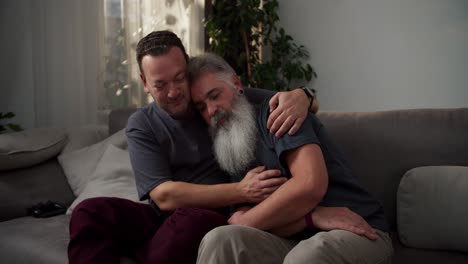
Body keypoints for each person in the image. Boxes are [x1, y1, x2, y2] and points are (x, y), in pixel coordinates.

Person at [68, 31, 379, 264]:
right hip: (188, 214)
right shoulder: (156, 123)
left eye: (179, 79)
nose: (176, 93)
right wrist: (244, 194)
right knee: (90, 212)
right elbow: (163, 196)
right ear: (145, 82)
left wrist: (303, 95)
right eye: (160, 85)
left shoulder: (256, 111)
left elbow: (288, 105)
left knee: (193, 224)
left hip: (204, 218)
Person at [188, 53, 394, 264]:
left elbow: (310, 185)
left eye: (214, 95)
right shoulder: (229, 141)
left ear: (237, 84)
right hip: (292, 237)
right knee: (219, 239)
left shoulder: (281, 112)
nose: (211, 111)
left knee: (305, 257)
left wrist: (249, 219)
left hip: (357, 229)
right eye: (201, 107)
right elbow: (242, 220)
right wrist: (310, 217)